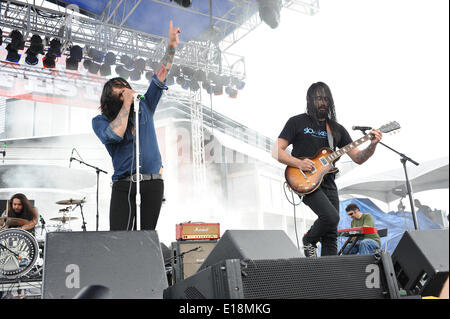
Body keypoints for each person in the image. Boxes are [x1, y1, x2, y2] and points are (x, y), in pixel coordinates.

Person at [272, 82, 382, 257]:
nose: (323, 102)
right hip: (304, 179)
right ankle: (309, 240)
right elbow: (276, 151)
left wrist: (372, 145)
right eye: (318, 99)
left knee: (331, 233)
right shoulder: (296, 122)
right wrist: (299, 163)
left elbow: (358, 158)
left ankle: (328, 273)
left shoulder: (337, 129)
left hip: (329, 182)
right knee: (331, 217)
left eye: (326, 99)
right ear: (310, 100)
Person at [92, 21, 181, 231]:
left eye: (125, 87)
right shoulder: (100, 121)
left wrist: (172, 45)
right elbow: (114, 136)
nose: (124, 89)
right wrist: (126, 103)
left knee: (146, 236)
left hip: (152, 183)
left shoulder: (146, 105)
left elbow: (161, 74)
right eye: (118, 89)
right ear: (109, 97)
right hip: (123, 184)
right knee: (120, 237)